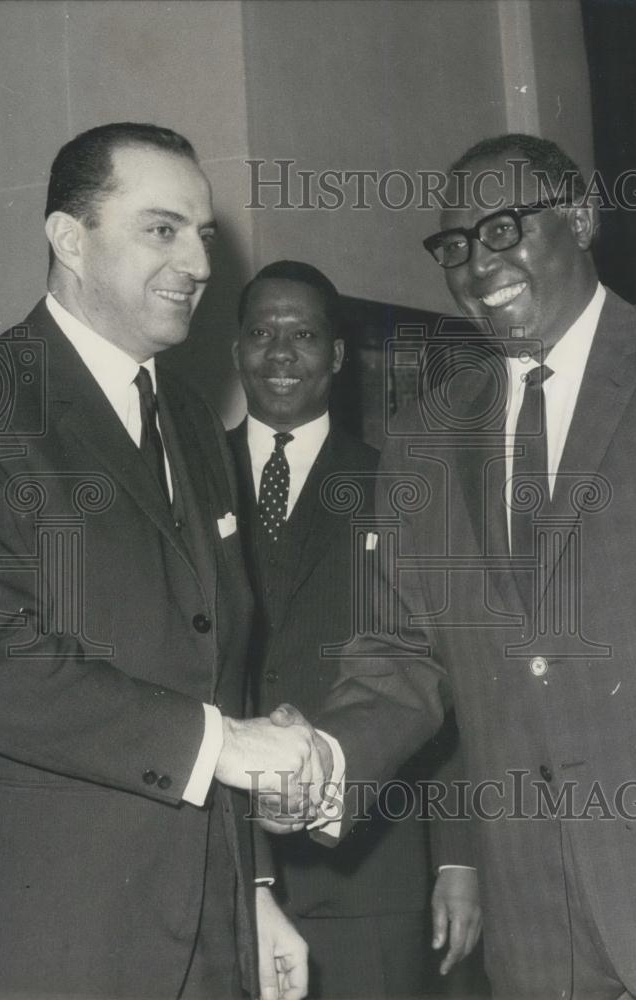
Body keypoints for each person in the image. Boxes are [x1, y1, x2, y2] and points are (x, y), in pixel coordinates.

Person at [269, 135, 636, 999]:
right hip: (535, 937)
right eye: (454, 246)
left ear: (582, 217)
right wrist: (326, 759)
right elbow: (402, 653)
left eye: (504, 228)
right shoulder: (424, 438)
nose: (479, 265)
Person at [0, 122, 318, 1000]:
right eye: (162, 229)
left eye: (201, 234)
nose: (198, 263)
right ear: (68, 239)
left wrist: (257, 889)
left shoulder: (195, 420)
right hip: (56, 942)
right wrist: (227, 746)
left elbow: (217, 656)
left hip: (212, 930)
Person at [228, 260, 480, 998]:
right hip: (223, 866)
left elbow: (444, 675)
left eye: (303, 334)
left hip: (372, 867)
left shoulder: (399, 485)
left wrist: (456, 859)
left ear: (337, 355)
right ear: (236, 348)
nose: (280, 354)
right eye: (260, 334)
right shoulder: (185, 480)